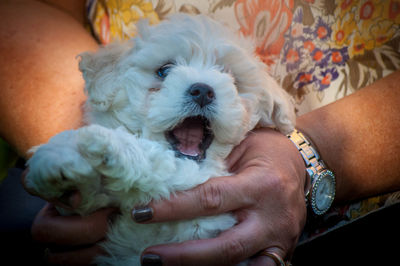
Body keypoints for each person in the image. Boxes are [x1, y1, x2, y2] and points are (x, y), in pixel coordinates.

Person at [1, 0, 399, 265]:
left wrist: (308, 155)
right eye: (164, 72)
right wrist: (85, 148)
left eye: (227, 76)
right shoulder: (110, 86)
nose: (202, 88)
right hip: (66, 115)